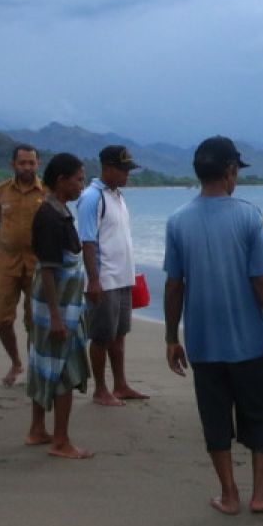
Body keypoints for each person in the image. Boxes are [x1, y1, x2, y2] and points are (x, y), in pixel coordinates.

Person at [164, 136, 263, 515]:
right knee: (259, 415)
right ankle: (262, 493)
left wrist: (172, 337)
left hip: (203, 344)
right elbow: (262, 280)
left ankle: (229, 494)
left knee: (215, 417)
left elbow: (174, 285)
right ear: (230, 171)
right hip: (249, 343)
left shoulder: (177, 221)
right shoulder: (248, 216)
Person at [26, 153, 93, 459]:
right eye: (79, 179)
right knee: (64, 370)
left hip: (56, 306)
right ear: (62, 180)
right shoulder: (51, 217)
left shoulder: (57, 211)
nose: (82, 185)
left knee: (43, 364)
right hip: (58, 309)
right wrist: (56, 316)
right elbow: (50, 269)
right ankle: (61, 440)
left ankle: (38, 429)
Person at [76, 145, 148, 406]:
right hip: (104, 280)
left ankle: (120, 384)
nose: (127, 174)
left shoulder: (117, 195)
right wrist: (94, 280)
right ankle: (100, 389)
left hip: (123, 278)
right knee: (101, 336)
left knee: (119, 334)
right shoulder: (92, 197)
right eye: (123, 169)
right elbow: (87, 241)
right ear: (107, 168)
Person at [0, 144, 45, 387]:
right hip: (7, 264)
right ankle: (15, 361)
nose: (27, 167)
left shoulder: (47, 191)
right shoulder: (1, 191)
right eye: (22, 162)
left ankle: (34, 364)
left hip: (37, 265)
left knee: (34, 320)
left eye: (31, 163)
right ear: (13, 164)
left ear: (38, 164)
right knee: (1, 319)